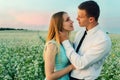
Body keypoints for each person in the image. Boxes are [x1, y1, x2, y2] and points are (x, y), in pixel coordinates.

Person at [59, 0, 112, 80]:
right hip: (68, 76)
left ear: (91, 19)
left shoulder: (103, 40)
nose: (76, 18)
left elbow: (80, 64)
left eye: (80, 16)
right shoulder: (80, 33)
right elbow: (72, 54)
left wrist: (65, 41)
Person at [43, 11, 75, 80]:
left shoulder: (69, 43)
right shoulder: (52, 45)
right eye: (67, 20)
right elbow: (49, 76)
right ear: (59, 25)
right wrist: (71, 67)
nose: (72, 21)